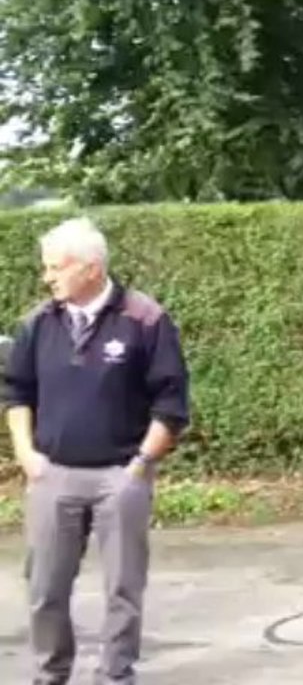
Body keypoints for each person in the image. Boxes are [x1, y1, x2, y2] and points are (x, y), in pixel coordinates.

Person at [2, 216, 191, 685]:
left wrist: (140, 466)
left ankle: (115, 675)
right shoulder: (38, 323)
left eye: (56, 267)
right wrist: (27, 455)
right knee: (44, 588)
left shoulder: (145, 319)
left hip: (120, 477)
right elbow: (16, 392)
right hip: (52, 475)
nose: (47, 277)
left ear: (90, 268)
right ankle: (50, 674)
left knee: (123, 589)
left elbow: (171, 404)